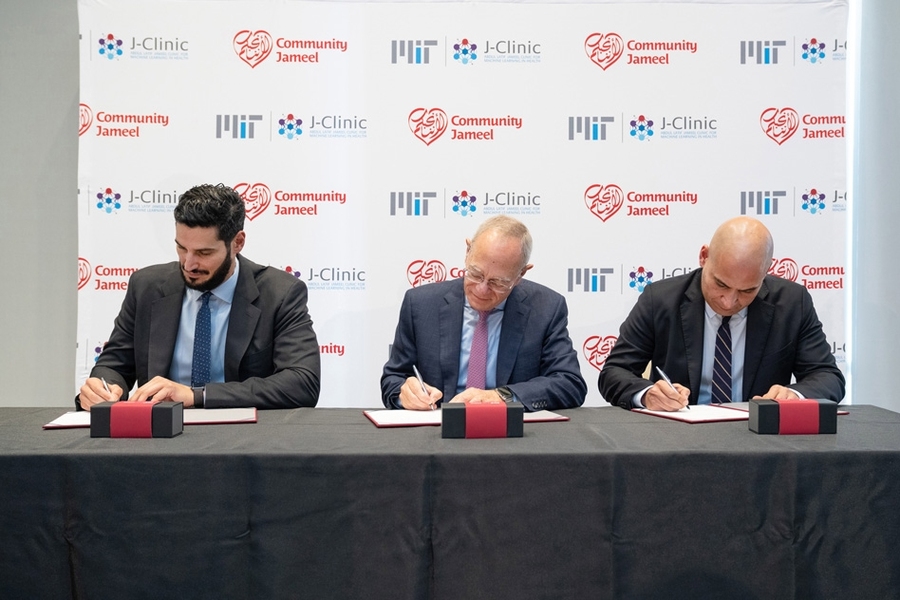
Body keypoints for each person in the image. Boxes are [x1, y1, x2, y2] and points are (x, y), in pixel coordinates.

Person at [77, 183, 320, 410]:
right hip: (160, 432)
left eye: (204, 253)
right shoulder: (145, 287)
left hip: (244, 434)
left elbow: (302, 383)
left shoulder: (280, 294)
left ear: (237, 243)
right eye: (182, 248)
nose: (189, 264)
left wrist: (197, 395)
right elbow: (114, 365)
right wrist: (103, 388)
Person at [598, 216, 845, 411]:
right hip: (679, 438)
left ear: (766, 271)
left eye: (747, 290)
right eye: (720, 284)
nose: (729, 302)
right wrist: (647, 394)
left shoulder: (792, 303)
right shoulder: (661, 300)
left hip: (761, 441)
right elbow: (614, 372)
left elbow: (828, 377)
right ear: (704, 257)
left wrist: (794, 395)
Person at [381, 215, 587, 411]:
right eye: (475, 273)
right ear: (467, 251)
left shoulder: (546, 308)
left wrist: (502, 396)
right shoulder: (421, 304)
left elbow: (570, 383)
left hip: (511, 429)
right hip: (437, 427)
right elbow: (394, 378)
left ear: (521, 274)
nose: (481, 289)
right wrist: (404, 394)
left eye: (498, 282)